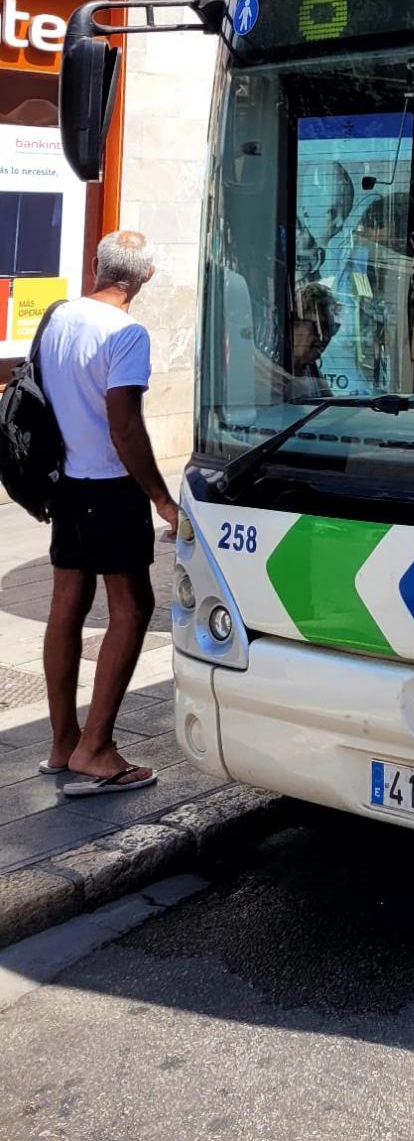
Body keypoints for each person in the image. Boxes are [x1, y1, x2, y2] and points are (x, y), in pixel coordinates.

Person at [37, 231, 177, 796]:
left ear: (96, 266)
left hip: (67, 484)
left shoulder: (57, 317)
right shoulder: (127, 333)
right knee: (133, 606)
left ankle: (62, 743)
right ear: (144, 278)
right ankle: (96, 749)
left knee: (67, 604)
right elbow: (125, 427)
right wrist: (161, 498)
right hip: (110, 487)